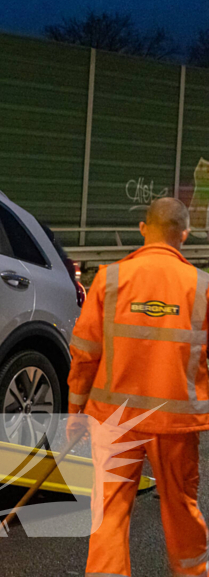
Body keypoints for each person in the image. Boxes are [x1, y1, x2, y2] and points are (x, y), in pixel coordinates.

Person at [68, 197, 209, 577]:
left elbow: (84, 351)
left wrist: (75, 411)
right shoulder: (201, 286)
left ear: (143, 229)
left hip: (114, 419)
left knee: (110, 512)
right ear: (184, 234)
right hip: (175, 425)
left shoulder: (110, 280)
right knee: (180, 509)